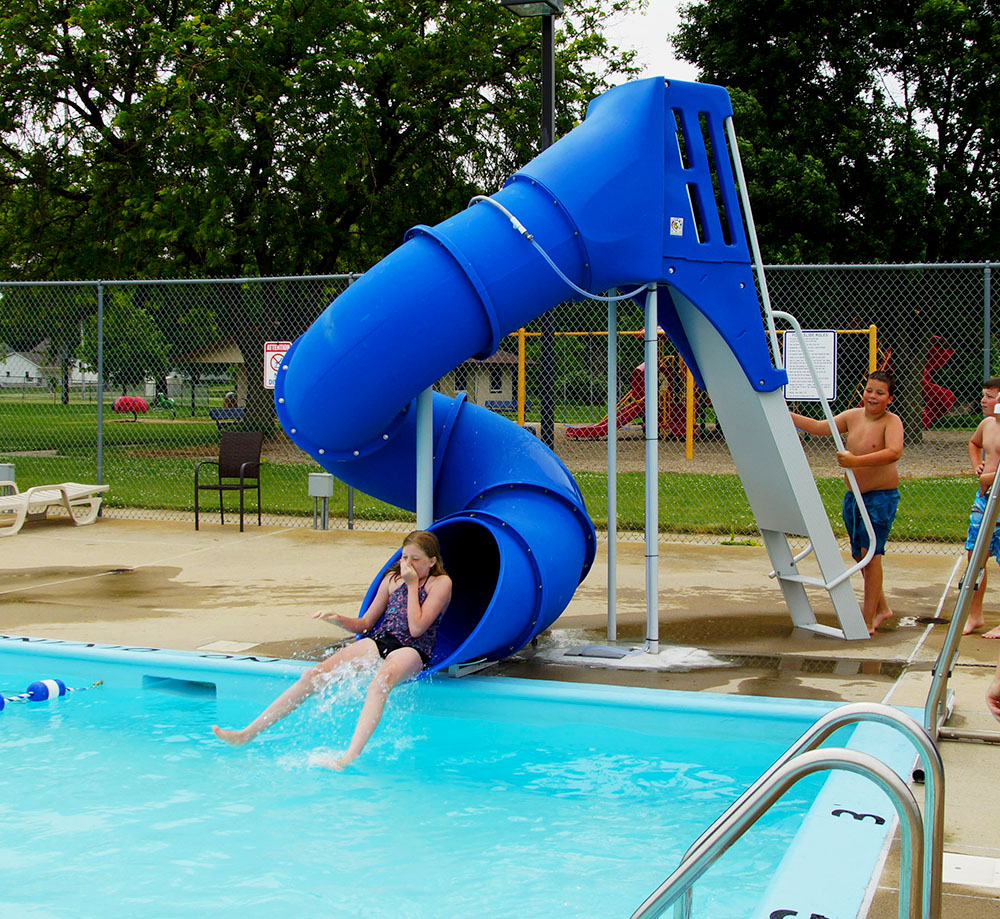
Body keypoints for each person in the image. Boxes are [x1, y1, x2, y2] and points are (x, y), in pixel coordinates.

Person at [212, 530, 452, 768]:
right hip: (382, 640)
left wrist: (411, 586)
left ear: (432, 562)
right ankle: (247, 734)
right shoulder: (391, 580)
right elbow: (366, 624)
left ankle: (349, 756)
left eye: (415, 559)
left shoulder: (440, 583)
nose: (407, 564)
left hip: (413, 648)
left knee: (382, 679)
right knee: (314, 675)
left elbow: (417, 628)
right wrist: (338, 618)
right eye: (404, 557)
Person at [789, 370, 904, 635]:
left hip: (879, 498)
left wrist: (856, 461)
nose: (872, 396)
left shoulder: (891, 421)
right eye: (869, 390)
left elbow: (893, 452)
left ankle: (866, 619)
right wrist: (784, 412)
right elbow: (819, 427)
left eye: (880, 393)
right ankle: (882, 608)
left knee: (870, 555)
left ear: (890, 399)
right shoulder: (853, 416)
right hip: (854, 497)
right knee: (858, 554)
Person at [962, 378, 1000, 637]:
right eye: (983, 395)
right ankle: (975, 614)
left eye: (989, 396)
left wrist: (990, 477)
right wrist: (978, 465)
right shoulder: (987, 425)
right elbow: (974, 444)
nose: (983, 400)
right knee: (975, 556)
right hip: (985, 500)